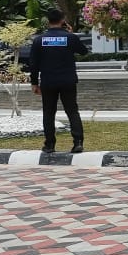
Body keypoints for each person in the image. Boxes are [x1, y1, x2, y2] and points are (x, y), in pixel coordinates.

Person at [30, 8, 88, 153]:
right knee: (72, 111)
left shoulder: (39, 40)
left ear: (48, 21)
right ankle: (78, 142)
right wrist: (71, 34)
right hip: (68, 80)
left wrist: (34, 83)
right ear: (63, 20)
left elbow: (33, 64)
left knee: (49, 113)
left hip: (48, 81)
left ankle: (49, 145)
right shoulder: (70, 38)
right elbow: (84, 51)